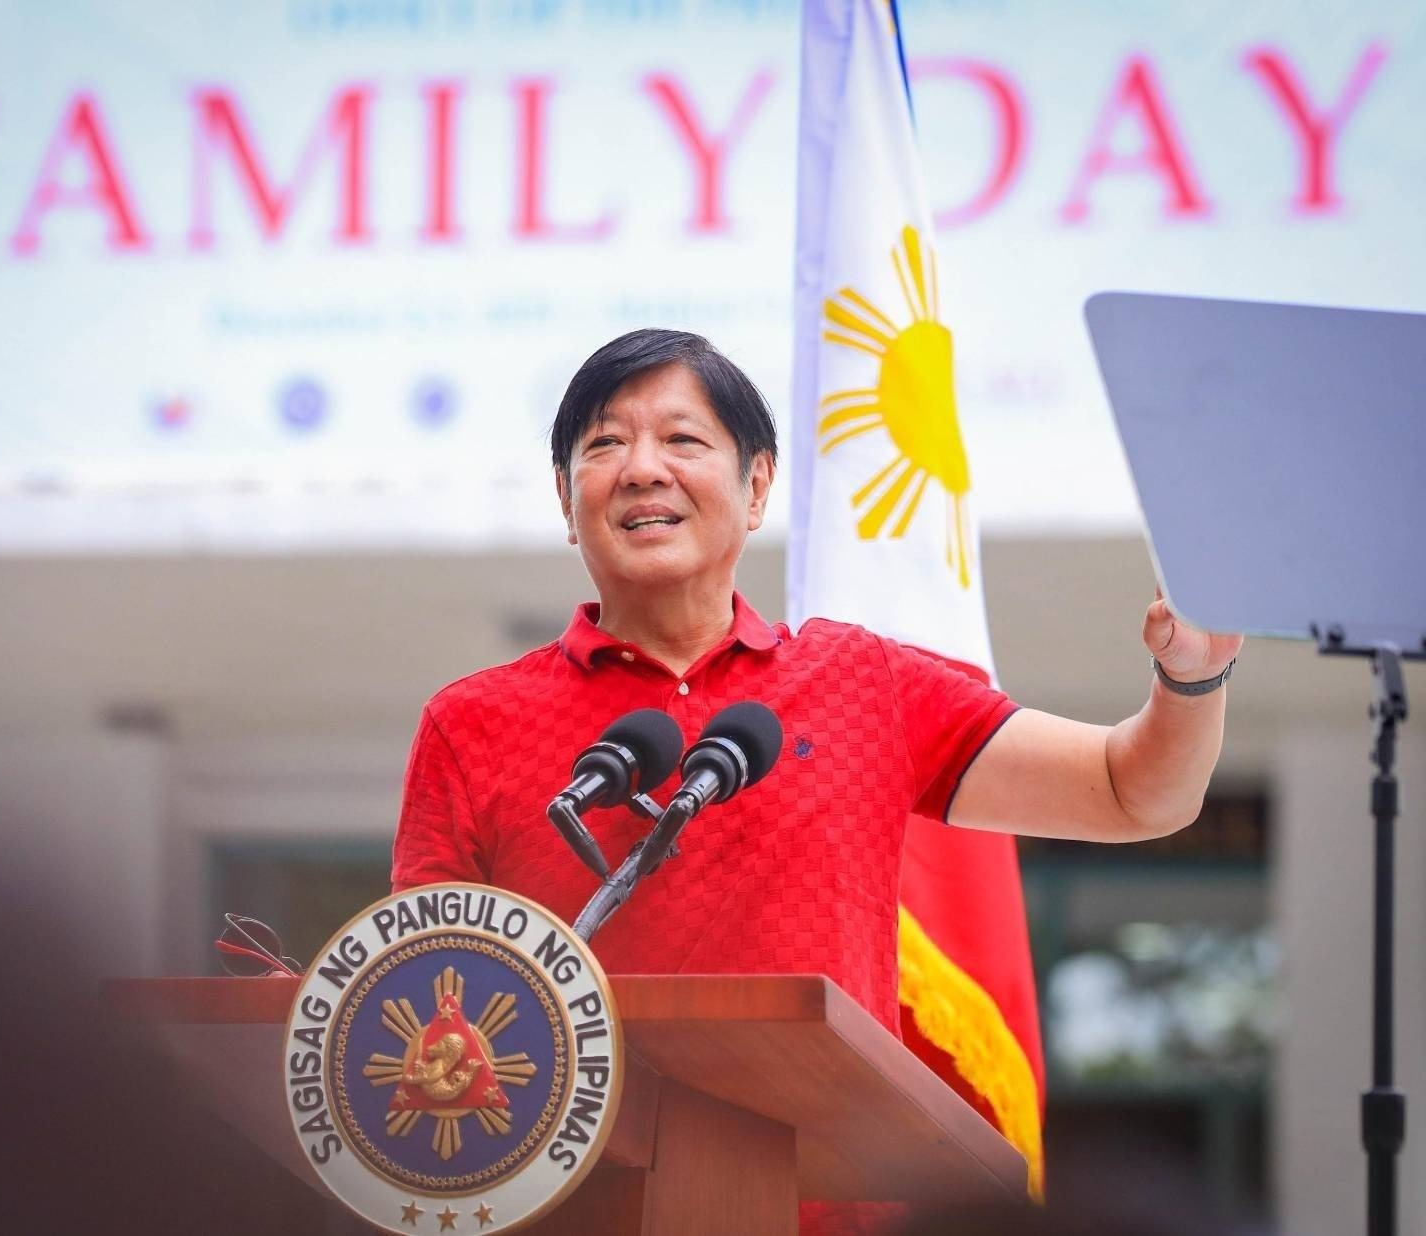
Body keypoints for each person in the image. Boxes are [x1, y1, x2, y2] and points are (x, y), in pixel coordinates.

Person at [390, 328, 1241, 1234]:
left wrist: (1192, 678)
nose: (641, 469)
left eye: (682, 439)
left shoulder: (859, 681)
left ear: (757, 486)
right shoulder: (471, 723)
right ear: (567, 501)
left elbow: (1132, 790)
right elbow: (420, 1004)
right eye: (604, 445)